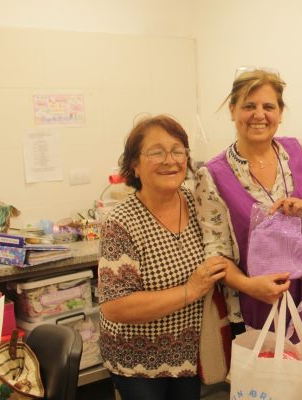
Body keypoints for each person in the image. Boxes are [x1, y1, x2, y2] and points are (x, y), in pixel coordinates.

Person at [194, 69, 302, 343]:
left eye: (268, 106)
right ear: (233, 111)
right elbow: (216, 254)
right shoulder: (212, 175)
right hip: (255, 306)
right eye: (249, 106)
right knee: (268, 385)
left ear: (280, 114)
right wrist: (250, 286)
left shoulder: (300, 154)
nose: (259, 115)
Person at [98, 115, 228, 400]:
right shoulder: (121, 222)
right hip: (139, 362)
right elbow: (115, 306)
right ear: (134, 164)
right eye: (156, 152)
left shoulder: (198, 203)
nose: (170, 160)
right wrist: (190, 290)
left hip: (190, 355)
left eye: (178, 150)